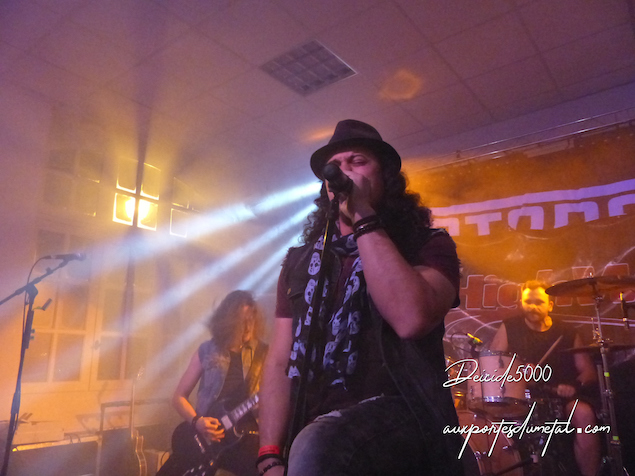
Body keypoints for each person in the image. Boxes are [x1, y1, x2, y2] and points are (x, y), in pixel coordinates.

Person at [257, 119, 466, 476]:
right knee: (315, 442)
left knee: (320, 442)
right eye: (335, 166)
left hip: (404, 415)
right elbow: (279, 361)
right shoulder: (299, 262)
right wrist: (269, 454)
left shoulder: (427, 245)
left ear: (385, 177)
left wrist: (363, 215)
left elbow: (411, 319)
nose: (343, 172)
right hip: (311, 428)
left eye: (357, 161)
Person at [489, 280, 600, 476]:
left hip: (560, 397)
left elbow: (588, 372)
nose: (532, 307)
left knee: (583, 413)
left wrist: (573, 386)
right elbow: (493, 367)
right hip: (521, 395)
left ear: (550, 305)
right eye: (528, 302)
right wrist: (518, 371)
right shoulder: (509, 327)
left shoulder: (566, 331)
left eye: (538, 302)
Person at [158, 290, 268, 476]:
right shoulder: (207, 350)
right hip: (203, 436)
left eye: (251, 320)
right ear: (228, 320)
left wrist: (262, 407)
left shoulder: (263, 353)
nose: (247, 326)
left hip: (243, 440)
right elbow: (178, 397)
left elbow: (269, 403)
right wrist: (197, 422)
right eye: (242, 320)